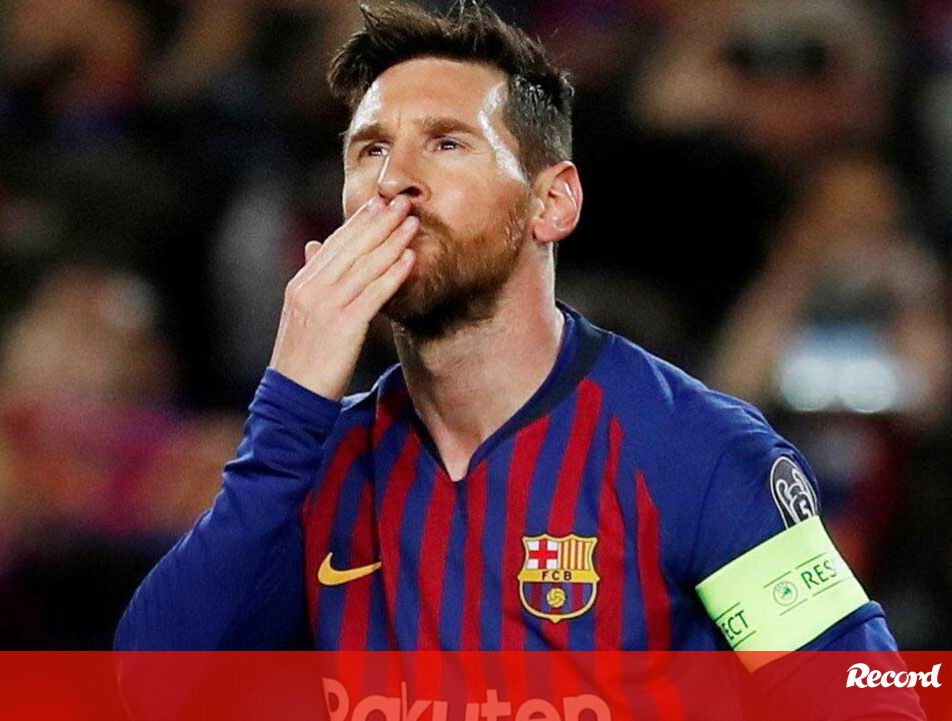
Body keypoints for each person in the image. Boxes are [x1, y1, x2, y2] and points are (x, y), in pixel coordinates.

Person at [116, 6, 920, 713]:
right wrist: (290, 401)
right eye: (370, 151)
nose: (395, 181)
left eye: (447, 143)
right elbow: (153, 690)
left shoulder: (694, 453)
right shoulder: (312, 462)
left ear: (552, 201)